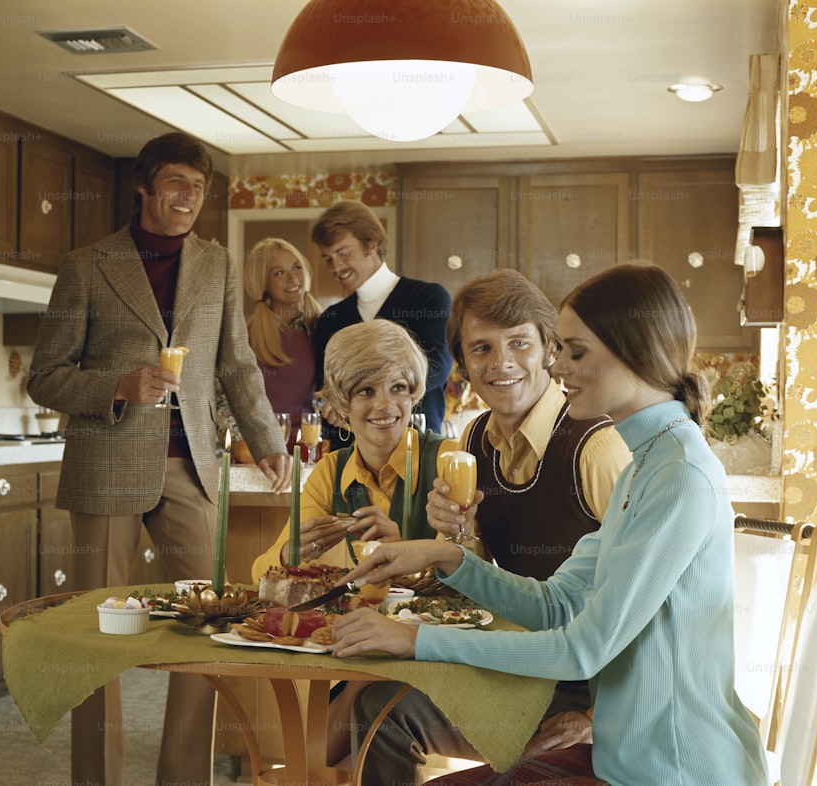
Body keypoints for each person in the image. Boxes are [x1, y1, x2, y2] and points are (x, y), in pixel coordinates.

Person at [330, 263, 770, 786]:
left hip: (673, 772)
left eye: (574, 352)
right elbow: (556, 603)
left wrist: (413, 640)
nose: (558, 368)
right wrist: (445, 556)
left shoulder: (677, 473)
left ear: (634, 352)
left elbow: (582, 648)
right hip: (622, 759)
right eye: (563, 350)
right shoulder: (647, 462)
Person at [27, 131, 291, 786]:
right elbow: (47, 376)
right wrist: (117, 385)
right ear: (143, 186)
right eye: (176, 183)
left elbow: (235, 362)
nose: (188, 198)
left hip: (192, 466)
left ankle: (182, 776)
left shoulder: (218, 265)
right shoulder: (87, 265)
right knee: (99, 634)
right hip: (105, 466)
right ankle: (99, 777)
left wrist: (267, 440)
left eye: (198, 188)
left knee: (209, 624)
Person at [349, 269, 632, 786]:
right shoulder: (474, 439)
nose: (500, 363)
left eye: (518, 343)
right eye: (480, 349)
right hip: (527, 674)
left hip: (601, 694)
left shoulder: (596, 447)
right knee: (382, 710)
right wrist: (458, 536)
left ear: (549, 348)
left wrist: (597, 720)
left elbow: (652, 602)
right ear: (461, 363)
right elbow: (490, 579)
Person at [250, 319, 460, 765]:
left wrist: (408, 551)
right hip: (363, 645)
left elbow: (470, 578)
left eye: (399, 387)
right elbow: (261, 575)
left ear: (415, 393)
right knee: (318, 752)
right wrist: (290, 555)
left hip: (435, 648)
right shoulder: (330, 471)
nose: (386, 405)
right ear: (342, 406)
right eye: (366, 391)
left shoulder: (446, 459)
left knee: (316, 754)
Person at [311, 200, 452, 445]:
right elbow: (326, 385)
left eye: (343, 253)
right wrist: (331, 400)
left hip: (416, 449)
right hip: (351, 455)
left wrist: (361, 393)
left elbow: (437, 366)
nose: (335, 267)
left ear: (371, 243)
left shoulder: (428, 298)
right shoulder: (331, 319)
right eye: (328, 258)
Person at [216, 237, 322, 459]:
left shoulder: (322, 329)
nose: (293, 278)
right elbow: (222, 398)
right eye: (279, 273)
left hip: (311, 454)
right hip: (258, 455)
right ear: (262, 282)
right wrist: (240, 445)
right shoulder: (242, 334)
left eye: (297, 267)